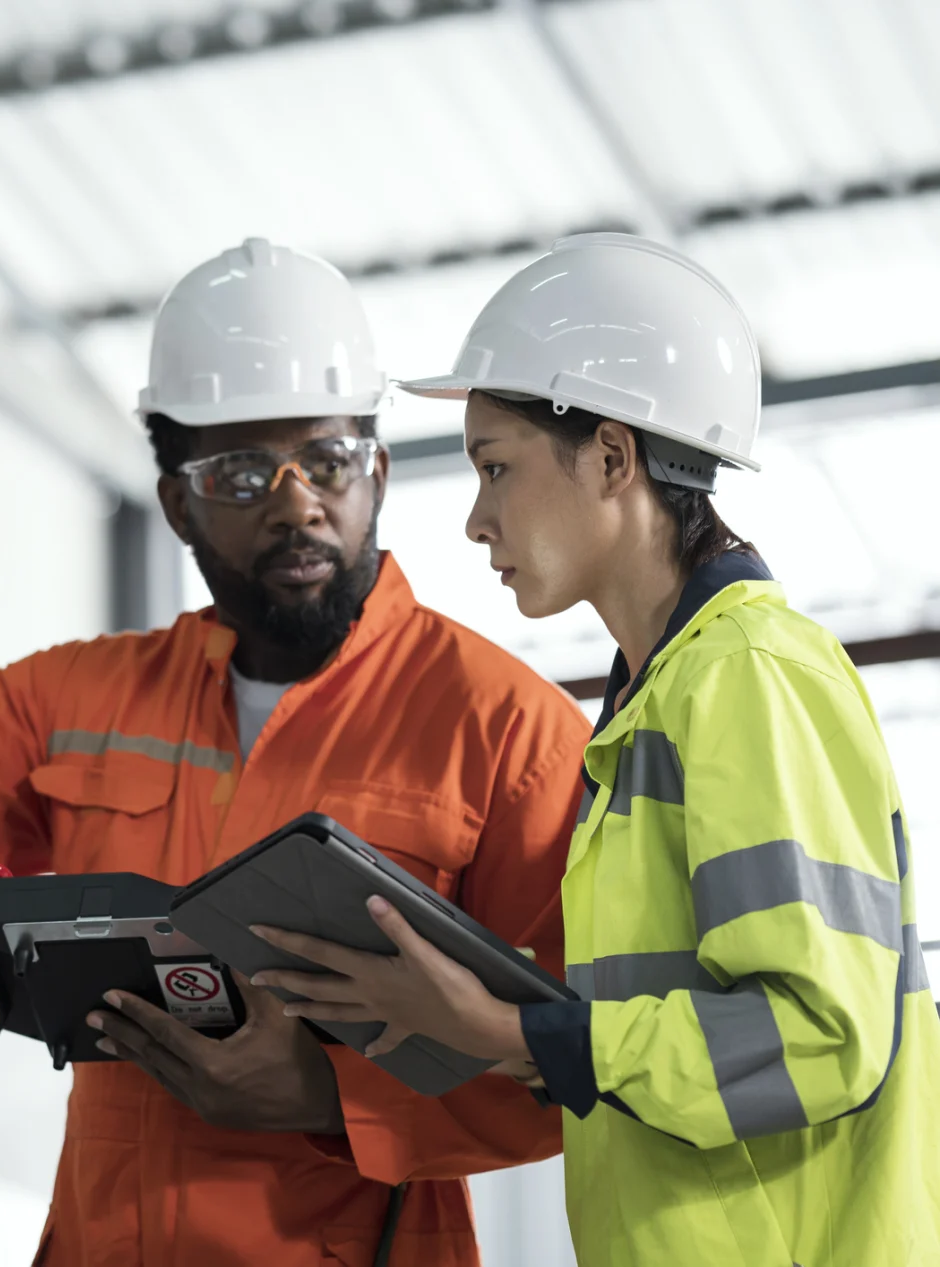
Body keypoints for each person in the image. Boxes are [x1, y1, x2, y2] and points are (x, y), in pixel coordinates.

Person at [0, 239, 591, 1266]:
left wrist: (325, 1095)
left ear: (379, 474)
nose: (295, 502)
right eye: (238, 472)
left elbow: (575, 1069)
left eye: (327, 461)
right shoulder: (78, 698)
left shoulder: (509, 735)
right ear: (177, 502)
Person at [253, 233, 940, 1265]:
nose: (478, 520)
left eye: (496, 468)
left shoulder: (749, 674)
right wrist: (480, 1019)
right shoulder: (654, 704)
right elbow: (672, 1040)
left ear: (612, 457)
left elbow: (819, 1037)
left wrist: (514, 1032)